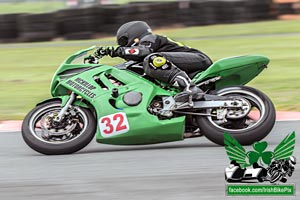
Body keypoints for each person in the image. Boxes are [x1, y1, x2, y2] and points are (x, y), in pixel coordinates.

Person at [95, 21, 213, 102]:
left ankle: (190, 88)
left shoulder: (149, 38)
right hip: (184, 65)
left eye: (124, 41)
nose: (124, 45)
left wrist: (116, 51)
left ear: (134, 33)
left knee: (152, 59)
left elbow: (144, 51)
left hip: (197, 59)